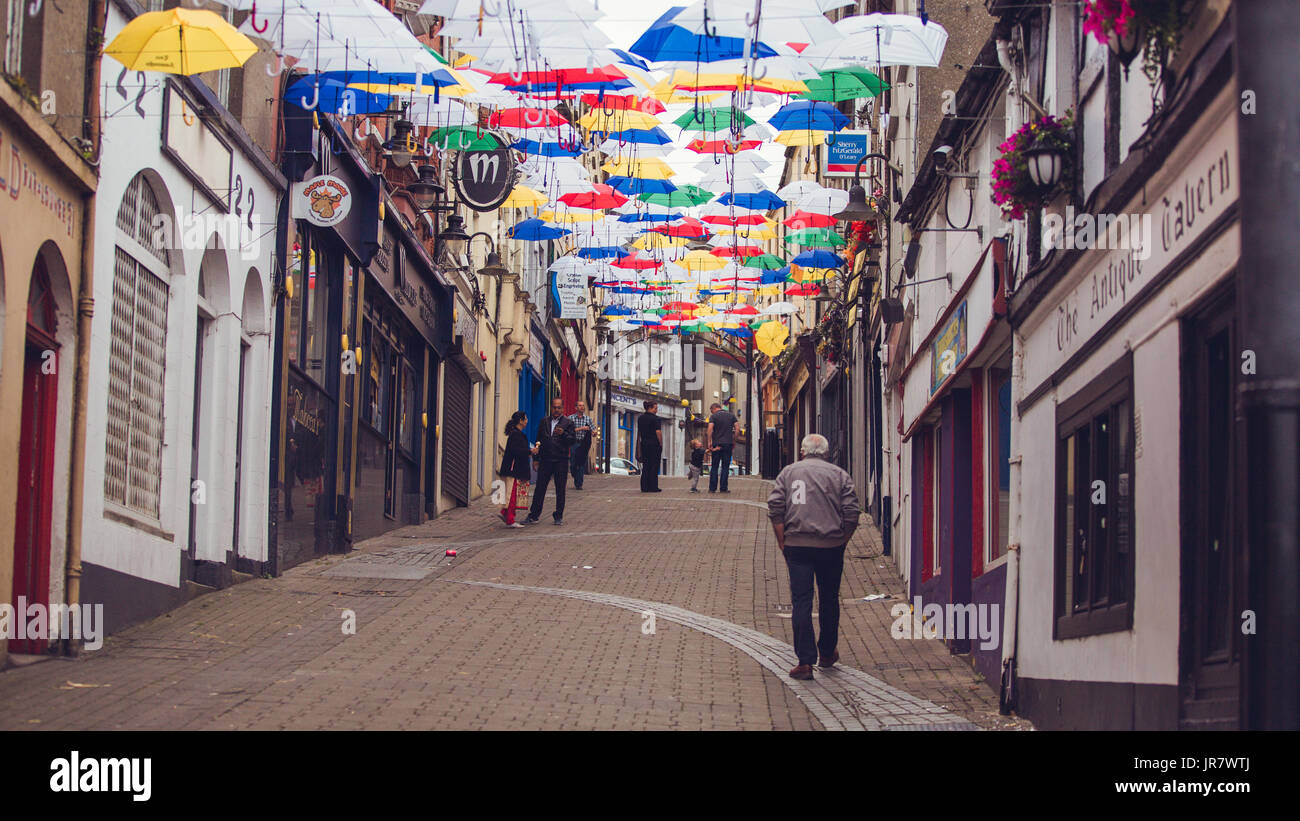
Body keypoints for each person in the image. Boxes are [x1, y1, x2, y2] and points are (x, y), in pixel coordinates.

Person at [766, 433, 860, 681]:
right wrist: (842, 539)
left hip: (797, 545)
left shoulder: (788, 473)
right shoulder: (840, 475)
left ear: (802, 451)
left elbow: (775, 508)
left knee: (801, 600)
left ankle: (805, 662)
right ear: (827, 453)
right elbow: (851, 512)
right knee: (829, 599)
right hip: (831, 545)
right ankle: (827, 653)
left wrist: (782, 541)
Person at [524, 398, 576, 526]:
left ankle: (558, 516)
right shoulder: (544, 421)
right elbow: (538, 440)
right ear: (551, 408)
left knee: (560, 490)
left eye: (559, 408)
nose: (556, 410)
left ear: (563, 409)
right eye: (554, 407)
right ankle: (534, 515)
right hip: (546, 459)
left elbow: (572, 441)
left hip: (561, 461)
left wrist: (563, 433)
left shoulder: (568, 423)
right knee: (540, 488)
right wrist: (536, 459)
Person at [498, 411, 532, 528]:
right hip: (514, 469)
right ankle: (510, 519)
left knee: (511, 494)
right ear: (521, 421)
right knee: (511, 495)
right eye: (525, 419)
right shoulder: (516, 435)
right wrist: (530, 451)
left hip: (514, 468)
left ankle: (505, 513)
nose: (527, 421)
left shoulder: (516, 434)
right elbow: (517, 451)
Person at [706, 401, 737, 493]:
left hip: (717, 444)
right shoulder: (731, 415)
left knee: (714, 466)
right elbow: (737, 429)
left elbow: (710, 429)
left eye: (711, 411)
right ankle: (723, 488)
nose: (712, 413)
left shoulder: (714, 416)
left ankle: (712, 488)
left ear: (714, 408)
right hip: (728, 444)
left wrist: (709, 442)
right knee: (725, 467)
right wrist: (734, 441)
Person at [636, 400, 663, 492]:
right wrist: (660, 443)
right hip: (654, 445)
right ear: (650, 408)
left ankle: (644, 487)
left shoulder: (640, 418)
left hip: (644, 444)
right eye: (655, 408)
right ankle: (653, 486)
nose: (656, 410)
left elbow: (639, 432)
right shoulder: (656, 419)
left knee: (646, 466)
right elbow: (658, 432)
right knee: (654, 466)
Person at [569, 400, 594, 490]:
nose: (582, 407)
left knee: (581, 463)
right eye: (580, 405)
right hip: (574, 442)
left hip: (584, 444)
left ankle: (579, 484)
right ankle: (574, 473)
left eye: (583, 405)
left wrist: (593, 432)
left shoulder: (588, 419)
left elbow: (593, 429)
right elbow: (569, 431)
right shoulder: (571, 418)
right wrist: (581, 428)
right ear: (576, 408)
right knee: (573, 462)